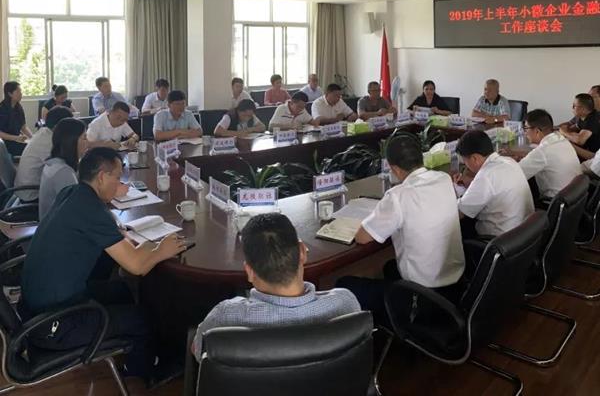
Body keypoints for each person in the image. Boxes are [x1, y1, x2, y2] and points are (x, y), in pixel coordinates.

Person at [20, 148, 187, 383]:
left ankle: (136, 349)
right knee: (142, 318)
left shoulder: (72, 193)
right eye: (117, 178)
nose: (120, 184)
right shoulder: (90, 208)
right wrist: (162, 249)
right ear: (101, 177)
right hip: (52, 324)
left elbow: (98, 229)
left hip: (35, 306)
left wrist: (123, 235)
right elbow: (137, 266)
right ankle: (143, 374)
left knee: (122, 290)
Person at [192, 213, 360, 361]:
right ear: (302, 252)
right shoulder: (346, 303)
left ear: (249, 272)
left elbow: (198, 351)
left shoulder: (224, 317)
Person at [337, 135, 465, 325]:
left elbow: (363, 237)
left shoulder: (399, 195)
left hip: (422, 296)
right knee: (389, 266)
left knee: (344, 285)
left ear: (394, 168)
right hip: (456, 285)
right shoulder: (443, 178)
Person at [455, 130, 534, 238]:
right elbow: (494, 187)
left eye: (465, 162)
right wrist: (472, 184)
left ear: (474, 158)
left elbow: (460, 212)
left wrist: (454, 193)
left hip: (500, 240)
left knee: (460, 226)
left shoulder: (486, 176)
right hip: (525, 234)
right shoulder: (509, 161)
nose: (466, 166)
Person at [516, 109, 582, 203]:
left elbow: (515, 175)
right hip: (574, 199)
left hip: (552, 204)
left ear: (537, 131)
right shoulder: (561, 139)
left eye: (526, 128)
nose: (524, 132)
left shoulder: (542, 152)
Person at [13, 106, 73, 203]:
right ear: (57, 127)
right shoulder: (48, 142)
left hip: (26, 188)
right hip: (31, 195)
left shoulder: (44, 132)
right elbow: (62, 167)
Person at [39, 118, 88, 219]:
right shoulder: (63, 172)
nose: (88, 142)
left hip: (52, 221)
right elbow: (77, 211)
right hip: (57, 225)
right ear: (72, 142)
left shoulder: (55, 161)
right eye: (84, 138)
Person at [0, 81, 32, 157]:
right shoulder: (2, 109)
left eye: (21, 91)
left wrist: (33, 138)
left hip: (16, 140)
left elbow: (23, 127)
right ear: (10, 94)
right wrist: (16, 138)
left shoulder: (18, 107)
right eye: (18, 92)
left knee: (34, 146)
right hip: (5, 143)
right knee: (30, 149)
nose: (21, 94)